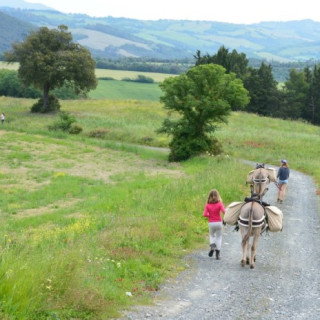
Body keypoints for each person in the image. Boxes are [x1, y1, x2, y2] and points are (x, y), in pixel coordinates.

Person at [203, 189, 226, 260]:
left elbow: (204, 214)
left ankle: (212, 246)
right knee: (219, 237)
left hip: (211, 223)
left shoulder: (207, 205)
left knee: (211, 235)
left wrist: (209, 215)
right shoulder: (219, 204)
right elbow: (224, 211)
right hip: (219, 222)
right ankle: (217, 254)